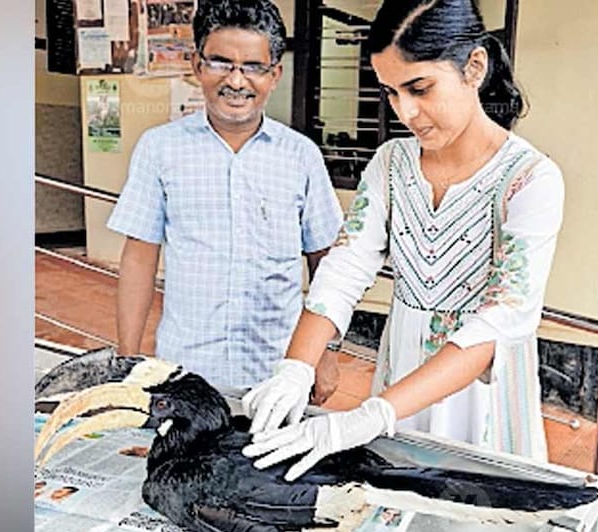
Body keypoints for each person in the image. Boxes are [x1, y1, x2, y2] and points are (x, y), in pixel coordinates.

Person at [243, 0, 565, 480]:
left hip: (480, 394)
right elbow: (346, 266)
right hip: (401, 375)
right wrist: (296, 367)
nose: (405, 112)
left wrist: (374, 414)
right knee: (395, 504)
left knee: (476, 522)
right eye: (391, 92)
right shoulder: (392, 164)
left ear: (474, 67)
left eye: (419, 88)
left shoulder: (529, 178)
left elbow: (502, 317)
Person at [107, 0, 344, 394]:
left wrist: (327, 353)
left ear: (275, 74)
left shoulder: (301, 156)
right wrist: (128, 361)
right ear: (197, 65)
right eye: (221, 62)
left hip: (279, 372)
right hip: (186, 371)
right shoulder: (159, 149)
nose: (236, 80)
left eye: (253, 66)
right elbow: (138, 259)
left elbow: (325, 261)